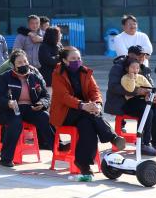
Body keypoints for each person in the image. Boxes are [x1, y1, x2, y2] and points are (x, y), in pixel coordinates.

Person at [50, 46, 125, 180]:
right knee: (89, 115)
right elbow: (63, 97)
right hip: (64, 113)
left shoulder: (85, 72)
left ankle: (83, 165)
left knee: (87, 125)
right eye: (73, 58)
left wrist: (97, 104)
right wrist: (82, 105)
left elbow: (94, 91)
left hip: (84, 112)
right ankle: (112, 137)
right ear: (65, 60)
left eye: (79, 58)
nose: (77, 61)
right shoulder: (57, 74)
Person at [0, 49, 55, 167]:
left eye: (25, 61)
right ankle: (6, 158)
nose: (23, 64)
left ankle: (57, 150)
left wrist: (42, 103)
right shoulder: (5, 77)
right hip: (10, 110)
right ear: (13, 65)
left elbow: (45, 95)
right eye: (19, 62)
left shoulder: (34, 76)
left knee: (45, 117)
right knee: (15, 123)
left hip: (30, 108)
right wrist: (8, 102)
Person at [120, 57, 156, 156]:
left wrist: (154, 96)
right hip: (132, 103)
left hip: (144, 102)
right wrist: (132, 78)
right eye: (133, 68)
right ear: (127, 68)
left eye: (137, 68)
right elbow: (130, 89)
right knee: (148, 112)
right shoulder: (125, 78)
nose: (135, 70)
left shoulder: (141, 77)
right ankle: (143, 144)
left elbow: (151, 88)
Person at [104, 45, 148, 117]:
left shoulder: (143, 68)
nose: (142, 58)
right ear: (130, 56)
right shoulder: (118, 67)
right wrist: (137, 91)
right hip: (121, 103)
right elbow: (113, 87)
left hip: (140, 101)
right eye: (140, 56)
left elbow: (150, 85)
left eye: (144, 56)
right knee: (147, 113)